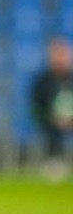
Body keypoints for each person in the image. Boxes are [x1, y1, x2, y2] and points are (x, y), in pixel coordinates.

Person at [31, 36, 73, 168]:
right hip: (51, 122)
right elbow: (36, 107)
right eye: (57, 55)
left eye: (63, 55)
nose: (60, 59)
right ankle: (55, 163)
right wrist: (53, 118)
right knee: (53, 130)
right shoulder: (42, 81)